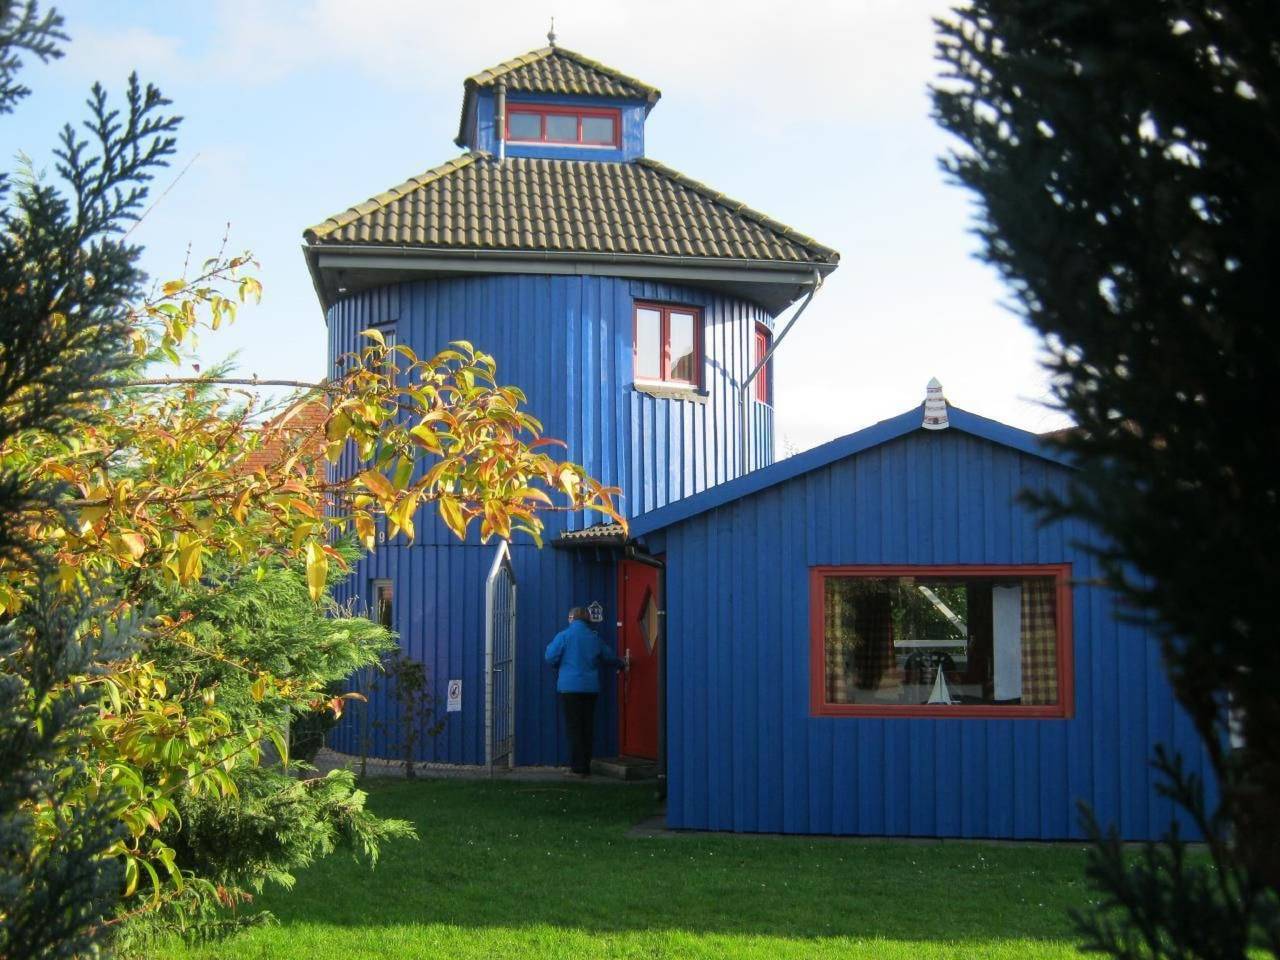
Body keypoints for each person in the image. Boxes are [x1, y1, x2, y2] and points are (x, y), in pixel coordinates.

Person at [544, 606, 626, 777]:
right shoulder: (594, 637)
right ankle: (585, 766)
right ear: (587, 620)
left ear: (571, 618)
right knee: (587, 727)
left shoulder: (564, 636)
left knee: (574, 727)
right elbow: (609, 657)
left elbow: (550, 657)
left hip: (569, 688)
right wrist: (622, 663)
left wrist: (558, 664)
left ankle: (577, 768)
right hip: (590, 688)